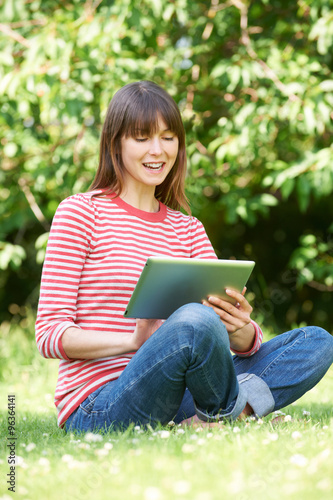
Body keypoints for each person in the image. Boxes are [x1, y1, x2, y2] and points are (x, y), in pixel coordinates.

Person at [35, 80, 333, 432]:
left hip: (183, 392)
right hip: (101, 402)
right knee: (192, 318)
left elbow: (217, 336)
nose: (157, 150)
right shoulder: (81, 212)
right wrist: (134, 342)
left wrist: (241, 331)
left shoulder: (187, 228)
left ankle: (211, 417)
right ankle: (234, 413)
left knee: (315, 342)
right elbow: (50, 334)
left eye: (168, 137)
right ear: (116, 143)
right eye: (142, 137)